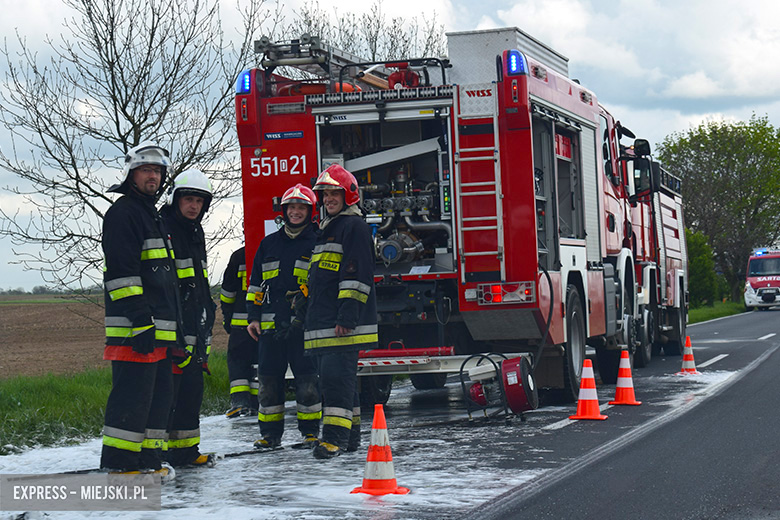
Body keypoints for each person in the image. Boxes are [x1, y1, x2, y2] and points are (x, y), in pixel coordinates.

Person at [100, 141, 178, 475]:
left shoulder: (152, 216)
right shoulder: (123, 213)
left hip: (157, 331)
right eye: (146, 170)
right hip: (135, 331)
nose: (153, 177)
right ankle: (120, 466)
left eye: (158, 171)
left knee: (156, 401)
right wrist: (140, 320)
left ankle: (147, 461)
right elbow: (121, 273)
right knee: (131, 400)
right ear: (132, 174)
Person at [305, 164, 378, 460]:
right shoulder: (329, 229)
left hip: (341, 324)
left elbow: (355, 276)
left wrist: (347, 317)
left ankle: (333, 439)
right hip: (326, 322)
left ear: (348, 195)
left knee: (336, 382)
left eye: (334, 193)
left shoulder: (354, 227)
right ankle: (350, 438)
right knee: (340, 382)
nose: (328, 199)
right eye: (324, 194)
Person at [247, 184, 322, 451]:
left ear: (310, 211)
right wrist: (253, 317)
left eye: (302, 208)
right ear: (285, 211)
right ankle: (269, 435)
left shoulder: (317, 242)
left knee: (307, 379)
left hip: (304, 326)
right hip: (269, 327)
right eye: (292, 207)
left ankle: (310, 432)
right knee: (268, 381)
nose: (296, 212)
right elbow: (256, 284)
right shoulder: (269, 244)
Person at [159, 169, 217, 468]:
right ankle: (158, 456)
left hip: (194, 324)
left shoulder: (195, 231)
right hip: (173, 329)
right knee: (167, 395)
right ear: (176, 200)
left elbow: (199, 281)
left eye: (198, 201)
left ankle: (185, 452)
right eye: (188, 199)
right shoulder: (164, 228)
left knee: (191, 393)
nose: (193, 206)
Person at [221, 245, 259, 417]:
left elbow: (227, 292)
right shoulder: (274, 249)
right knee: (259, 362)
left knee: (238, 361)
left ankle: (240, 403)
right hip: (265, 322)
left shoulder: (239, 255)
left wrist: (227, 318)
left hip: (240, 322)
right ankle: (256, 403)